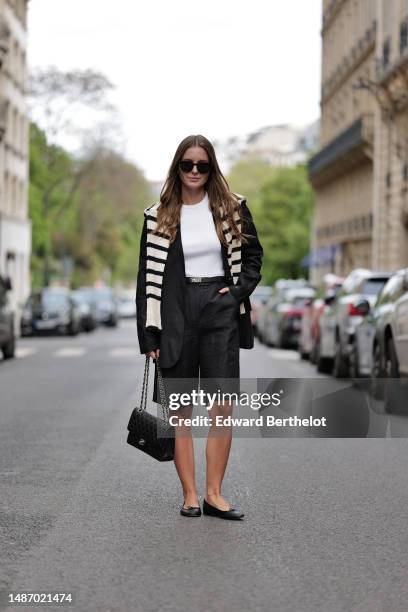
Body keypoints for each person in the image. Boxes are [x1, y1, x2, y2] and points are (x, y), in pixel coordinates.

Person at [136, 134, 263, 520]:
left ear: (211, 169)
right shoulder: (157, 215)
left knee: (221, 407)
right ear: (177, 167)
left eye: (202, 165)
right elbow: (146, 279)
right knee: (180, 410)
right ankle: (190, 495)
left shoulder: (232, 208)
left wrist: (236, 291)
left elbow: (254, 256)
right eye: (187, 164)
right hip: (175, 312)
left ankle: (214, 494)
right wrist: (149, 335)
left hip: (219, 307)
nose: (194, 171)